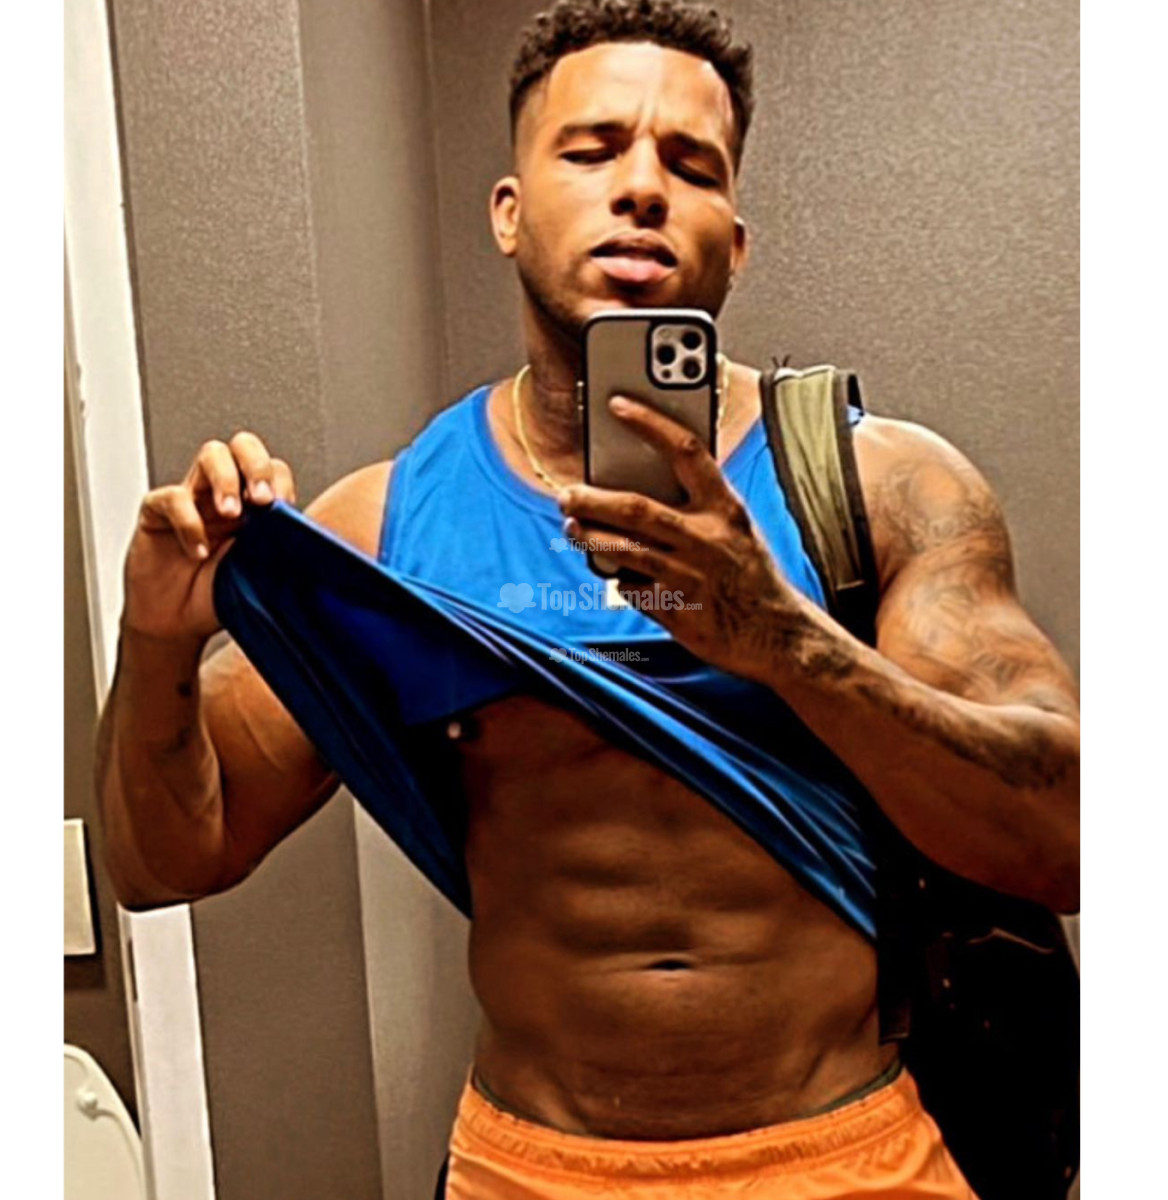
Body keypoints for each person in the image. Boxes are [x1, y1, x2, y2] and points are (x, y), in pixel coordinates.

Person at [95, 2, 1079, 1196]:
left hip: (843, 1157)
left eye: (692, 165)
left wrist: (789, 646)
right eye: (593, 148)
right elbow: (164, 860)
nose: (643, 188)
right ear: (509, 212)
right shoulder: (392, 523)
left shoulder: (880, 488)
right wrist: (156, 638)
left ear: (735, 240)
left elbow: (1074, 839)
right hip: (533, 1170)